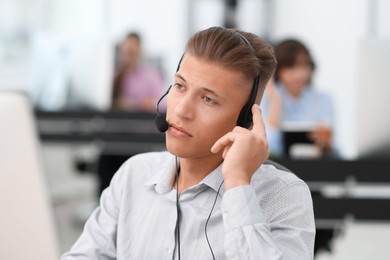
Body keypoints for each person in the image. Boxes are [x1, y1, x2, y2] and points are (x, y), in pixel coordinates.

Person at [61, 26, 315, 259]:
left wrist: (238, 183)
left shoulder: (285, 196)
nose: (181, 110)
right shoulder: (134, 175)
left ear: (246, 120)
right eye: (180, 86)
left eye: (208, 99)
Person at [261, 39, 335, 158]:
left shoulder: (323, 100)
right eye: (290, 67)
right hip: (280, 168)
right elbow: (269, 148)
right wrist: (275, 102)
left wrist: (326, 143)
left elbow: (334, 148)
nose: (299, 74)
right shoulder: (267, 99)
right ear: (277, 71)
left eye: (304, 65)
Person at [112, 32, 166, 111]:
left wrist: (139, 104)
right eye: (125, 53)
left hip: (141, 120)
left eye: (131, 53)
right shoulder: (114, 76)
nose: (127, 58)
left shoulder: (152, 76)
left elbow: (163, 104)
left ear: (140, 51)